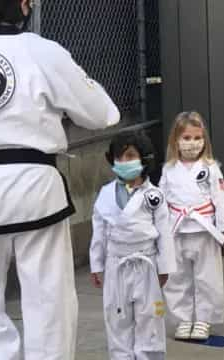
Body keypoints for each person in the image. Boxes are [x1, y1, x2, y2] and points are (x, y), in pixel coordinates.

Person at [0, 1, 120, 359]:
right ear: (22, 7)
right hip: (34, 187)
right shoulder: (42, 51)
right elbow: (102, 114)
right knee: (49, 297)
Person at [89, 132, 175, 360]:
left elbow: (165, 233)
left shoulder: (154, 195)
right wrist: (96, 264)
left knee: (150, 319)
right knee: (117, 319)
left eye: (129, 156)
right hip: (116, 262)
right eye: (119, 157)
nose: (123, 162)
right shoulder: (105, 194)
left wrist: (164, 267)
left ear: (144, 158)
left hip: (146, 263)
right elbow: (99, 231)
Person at [160, 111, 224, 341]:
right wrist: (158, 231)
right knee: (176, 277)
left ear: (204, 140)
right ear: (176, 140)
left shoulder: (211, 167)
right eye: (186, 138)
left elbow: (220, 197)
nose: (192, 143)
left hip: (204, 229)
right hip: (176, 228)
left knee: (207, 277)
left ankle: (204, 319)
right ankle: (182, 319)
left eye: (196, 138)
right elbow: (161, 200)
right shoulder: (168, 169)